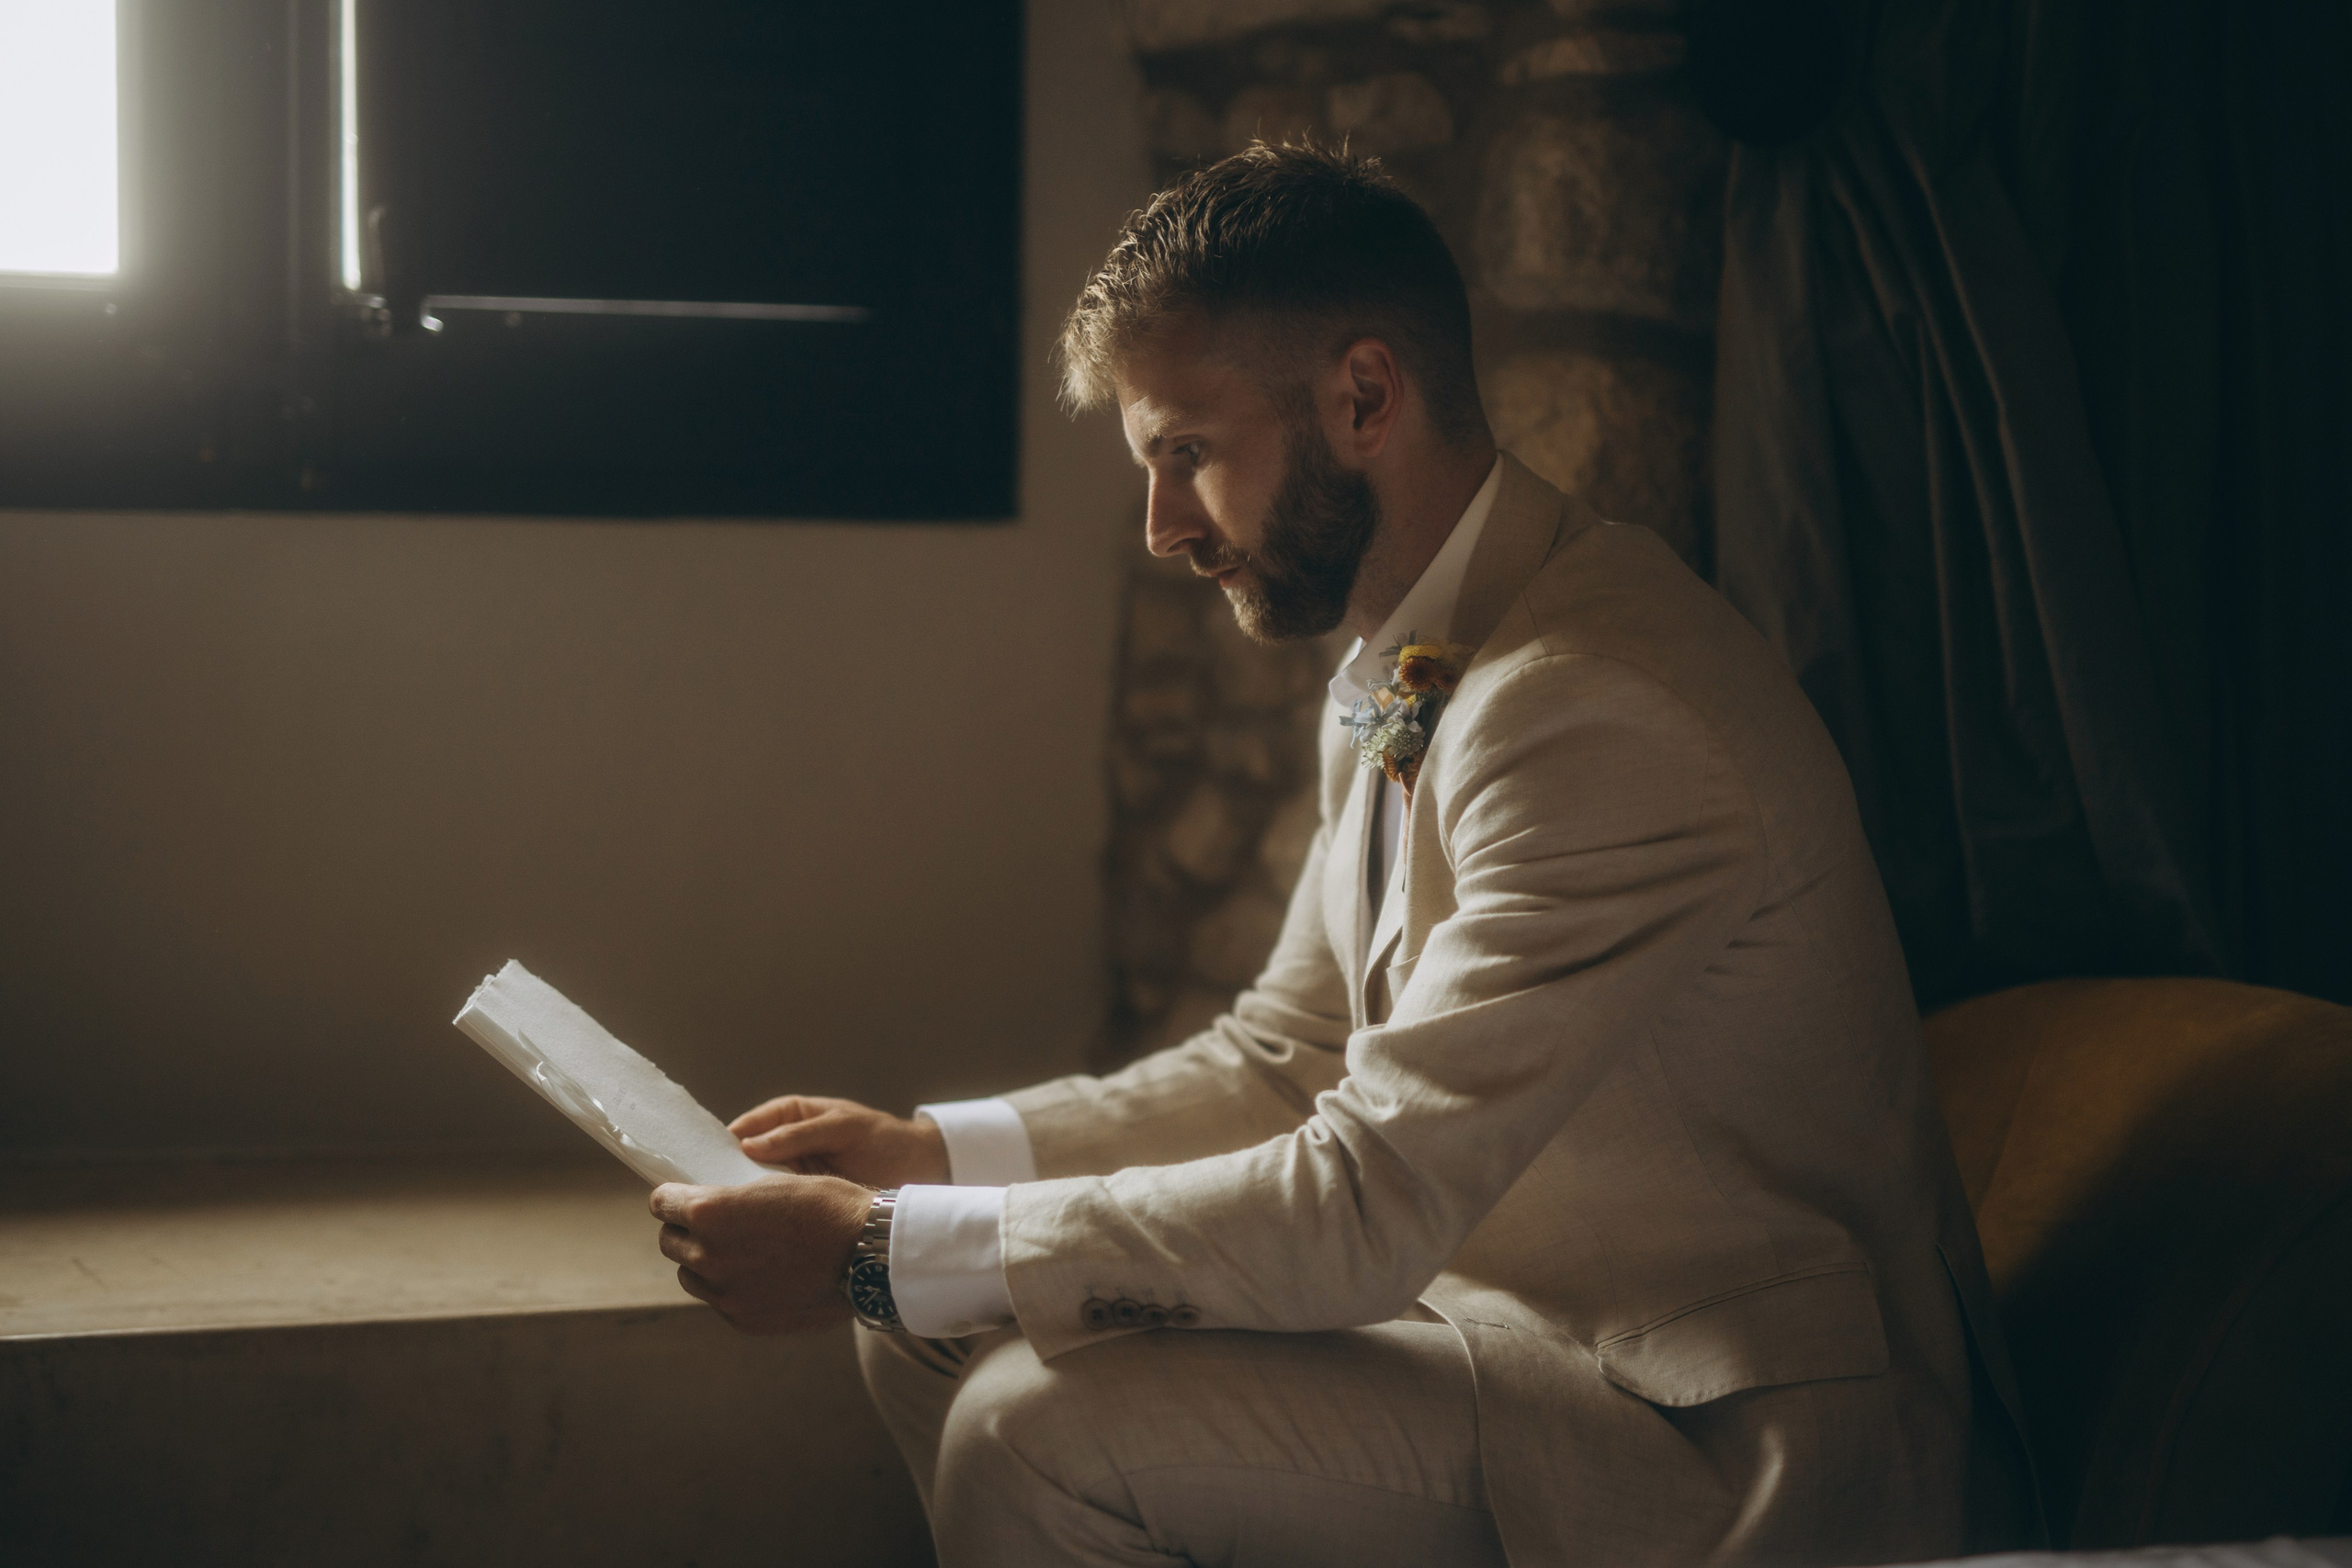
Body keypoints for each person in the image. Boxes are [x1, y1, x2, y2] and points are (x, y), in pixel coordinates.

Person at [646, 142, 2037, 1567]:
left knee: (1023, 1422)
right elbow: (1284, 1053)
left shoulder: (1596, 707)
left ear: (1364, 396)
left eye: (1187, 452)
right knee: (925, 1334)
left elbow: (1363, 1204)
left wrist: (881, 1243)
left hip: (1730, 1438)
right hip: (1511, 1333)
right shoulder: (1415, 655)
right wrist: (933, 1157)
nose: (1162, 527)